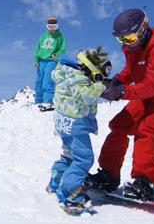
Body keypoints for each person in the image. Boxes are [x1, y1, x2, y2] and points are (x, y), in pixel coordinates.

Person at [87, 8, 154, 202]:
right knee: (119, 126)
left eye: (128, 38)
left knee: (147, 127)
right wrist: (117, 81)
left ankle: (145, 182)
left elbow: (152, 86)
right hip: (148, 92)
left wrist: (123, 92)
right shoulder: (132, 46)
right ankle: (108, 176)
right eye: (121, 40)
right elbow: (130, 70)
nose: (125, 43)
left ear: (142, 29)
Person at [46, 47, 113, 214]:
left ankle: (56, 180)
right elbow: (84, 95)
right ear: (89, 68)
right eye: (98, 76)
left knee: (69, 155)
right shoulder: (77, 78)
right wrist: (102, 87)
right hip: (75, 126)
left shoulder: (68, 73)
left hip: (65, 124)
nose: (98, 80)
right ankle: (70, 194)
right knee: (84, 158)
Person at [33, 16, 66, 109]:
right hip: (41, 61)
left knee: (47, 79)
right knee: (38, 81)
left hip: (51, 61)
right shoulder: (43, 37)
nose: (52, 29)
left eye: (54, 27)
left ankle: (48, 101)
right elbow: (38, 49)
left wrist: (57, 54)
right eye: (50, 27)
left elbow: (62, 49)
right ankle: (38, 101)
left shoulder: (59, 36)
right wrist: (36, 59)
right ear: (47, 26)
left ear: (57, 26)